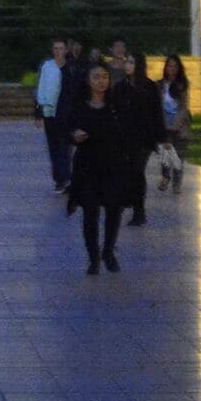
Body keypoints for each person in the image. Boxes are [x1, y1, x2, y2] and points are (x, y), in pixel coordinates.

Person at [65, 62, 126, 274]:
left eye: (105, 77)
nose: (101, 81)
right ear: (88, 81)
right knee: (90, 212)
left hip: (112, 165)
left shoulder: (115, 106)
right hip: (88, 166)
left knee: (113, 210)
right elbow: (67, 128)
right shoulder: (80, 106)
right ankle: (93, 257)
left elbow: (126, 132)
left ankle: (108, 251)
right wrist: (74, 135)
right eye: (96, 77)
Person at [124, 52, 165, 224]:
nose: (128, 65)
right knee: (130, 171)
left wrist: (161, 138)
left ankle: (138, 211)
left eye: (131, 62)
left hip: (145, 138)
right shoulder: (121, 87)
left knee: (137, 170)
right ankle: (132, 200)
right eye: (127, 62)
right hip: (126, 137)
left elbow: (157, 113)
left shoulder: (149, 87)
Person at [35, 39, 74, 193]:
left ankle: (66, 177)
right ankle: (59, 179)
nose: (58, 51)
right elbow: (42, 88)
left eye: (61, 48)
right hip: (50, 112)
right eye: (56, 48)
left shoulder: (70, 67)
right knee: (54, 146)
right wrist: (39, 111)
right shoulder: (47, 67)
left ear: (66, 50)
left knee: (65, 146)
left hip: (66, 113)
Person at [157, 54, 192, 194]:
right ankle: (166, 177)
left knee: (178, 157)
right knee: (165, 155)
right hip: (164, 125)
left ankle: (176, 185)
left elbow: (184, 106)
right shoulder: (160, 85)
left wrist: (177, 123)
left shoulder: (182, 85)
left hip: (180, 126)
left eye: (175, 66)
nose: (172, 69)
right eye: (169, 66)